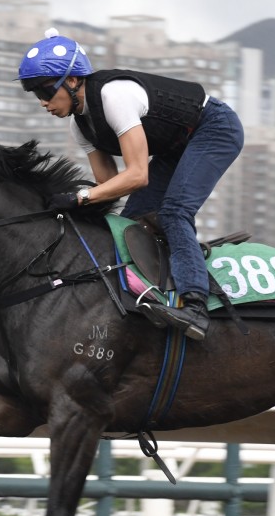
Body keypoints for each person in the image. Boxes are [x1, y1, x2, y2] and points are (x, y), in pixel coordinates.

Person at [18, 29, 245, 342]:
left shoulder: (114, 96)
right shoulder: (79, 126)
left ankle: (195, 306)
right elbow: (109, 187)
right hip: (176, 147)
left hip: (214, 127)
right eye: (34, 95)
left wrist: (80, 198)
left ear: (72, 80)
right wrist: (63, 206)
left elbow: (137, 176)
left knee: (174, 212)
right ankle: (155, 295)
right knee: (128, 223)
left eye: (44, 92)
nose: (42, 103)